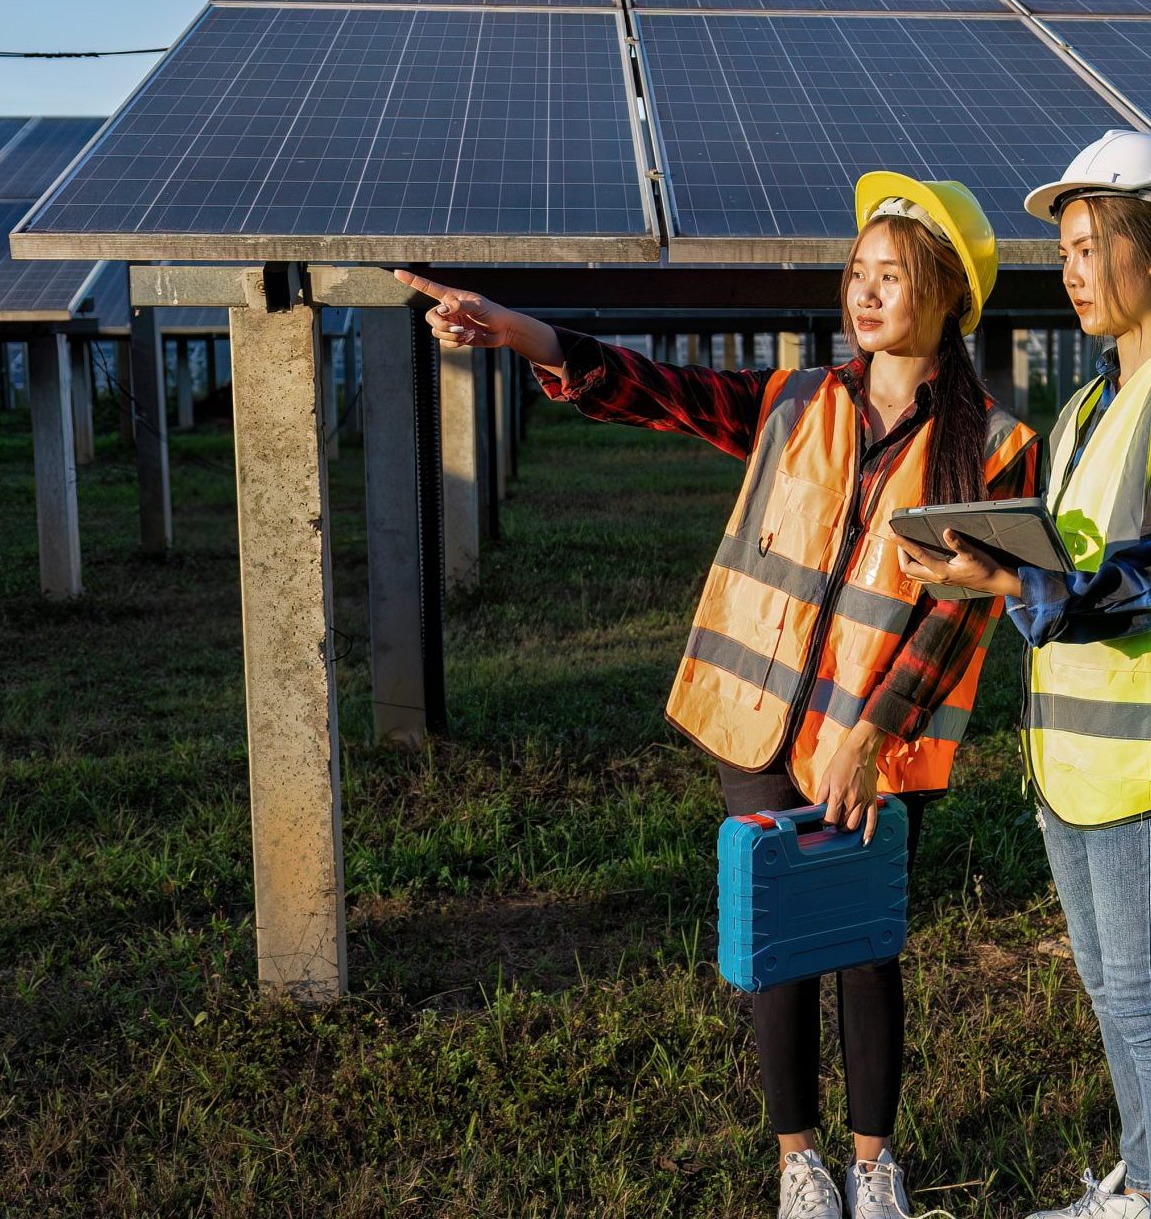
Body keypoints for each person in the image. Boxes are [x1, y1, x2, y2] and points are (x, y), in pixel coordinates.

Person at [390, 171, 1039, 1219]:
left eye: (893, 276)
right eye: (858, 273)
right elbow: (659, 389)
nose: (866, 295)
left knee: (867, 947)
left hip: (875, 741)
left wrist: (868, 738)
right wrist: (524, 333)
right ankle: (800, 1161)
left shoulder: (995, 447)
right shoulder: (793, 402)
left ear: (948, 295)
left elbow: (955, 616)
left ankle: (875, 1164)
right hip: (758, 721)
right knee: (782, 935)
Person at [898, 131, 1151, 1219]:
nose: (1070, 268)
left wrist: (1009, 587)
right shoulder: (1088, 408)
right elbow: (1067, 553)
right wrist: (979, 557)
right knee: (1108, 988)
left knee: (1146, 993)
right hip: (1073, 756)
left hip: (1140, 751)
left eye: (1090, 245)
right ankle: (1138, 1184)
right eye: (1064, 250)